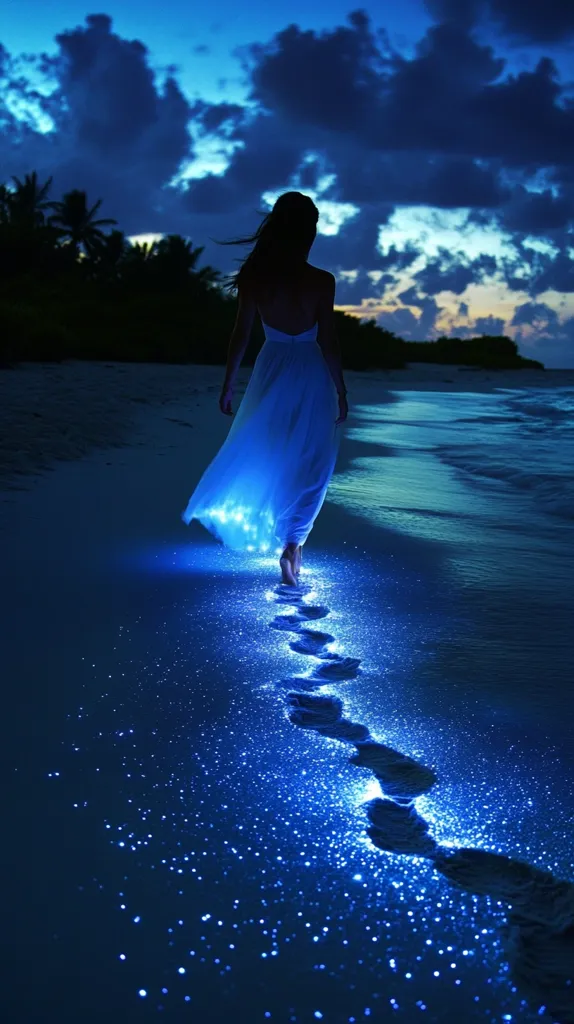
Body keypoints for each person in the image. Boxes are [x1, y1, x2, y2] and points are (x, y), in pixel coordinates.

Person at [182, 191, 348, 586]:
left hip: (270, 369)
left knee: (276, 453)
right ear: (307, 232)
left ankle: (291, 543)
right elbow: (329, 340)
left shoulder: (256, 278)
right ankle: (293, 545)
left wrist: (229, 385)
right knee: (313, 462)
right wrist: (341, 389)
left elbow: (240, 336)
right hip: (310, 370)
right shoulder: (322, 281)